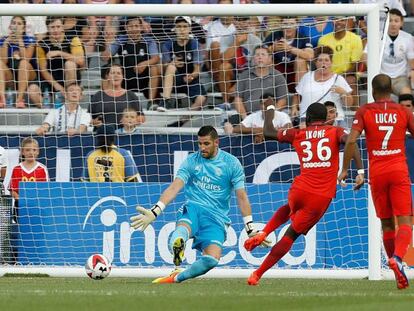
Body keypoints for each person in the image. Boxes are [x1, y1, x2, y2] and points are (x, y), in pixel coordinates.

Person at [130, 125, 270, 284]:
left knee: (212, 260)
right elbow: (175, 186)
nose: (202, 148)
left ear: (216, 142)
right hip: (194, 208)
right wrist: (156, 210)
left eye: (206, 144)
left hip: (217, 218)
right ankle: (179, 245)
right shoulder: (191, 161)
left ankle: (176, 277)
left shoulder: (232, 164)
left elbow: (242, 196)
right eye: (199, 144)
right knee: (182, 230)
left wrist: (249, 226)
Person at [244, 102, 363, 286]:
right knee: (291, 235)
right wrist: (356, 170)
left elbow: (268, 132)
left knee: (288, 208)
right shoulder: (335, 131)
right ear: (326, 119)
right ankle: (257, 274)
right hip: (320, 196)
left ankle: (264, 232)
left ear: (307, 119)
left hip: (299, 188)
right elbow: (351, 141)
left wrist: (269, 110)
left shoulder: (298, 133)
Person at [338, 74, 414, 290]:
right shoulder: (403, 111)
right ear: (392, 91)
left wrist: (345, 169)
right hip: (398, 169)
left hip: (377, 172)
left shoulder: (365, 111)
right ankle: (398, 259)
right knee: (406, 221)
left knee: (387, 223)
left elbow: (351, 139)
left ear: (372, 91)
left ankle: (394, 265)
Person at [29, 17, 85, 107]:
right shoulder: (42, 44)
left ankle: (69, 103)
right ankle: (49, 112)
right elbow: (43, 70)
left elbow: (81, 61)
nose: (56, 30)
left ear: (63, 27)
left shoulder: (73, 39)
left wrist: (59, 53)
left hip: (69, 78)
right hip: (50, 79)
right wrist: (57, 86)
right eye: (52, 27)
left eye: (58, 27)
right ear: (48, 28)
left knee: (70, 64)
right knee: (32, 90)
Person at [292, 46, 353, 128]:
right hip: (308, 119)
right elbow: (297, 94)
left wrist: (342, 92)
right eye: (320, 60)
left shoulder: (338, 79)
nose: (323, 63)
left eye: (326, 60)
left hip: (334, 120)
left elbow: (349, 104)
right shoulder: (307, 77)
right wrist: (294, 107)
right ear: (316, 63)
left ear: (331, 62)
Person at [158, 16, 207, 111]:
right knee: (171, 67)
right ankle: (165, 100)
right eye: (179, 26)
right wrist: (171, 63)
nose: (182, 29)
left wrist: (191, 76)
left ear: (190, 29)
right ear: (175, 29)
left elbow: (197, 70)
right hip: (174, 80)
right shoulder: (168, 44)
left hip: (190, 79)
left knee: (201, 99)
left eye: (185, 26)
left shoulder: (194, 44)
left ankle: (181, 122)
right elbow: (163, 67)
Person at [109, 17, 161, 103]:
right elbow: (105, 57)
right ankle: (109, 101)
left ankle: (151, 102)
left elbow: (156, 58)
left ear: (141, 27)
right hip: (125, 77)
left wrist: (144, 64)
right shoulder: (120, 40)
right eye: (131, 26)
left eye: (136, 26)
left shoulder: (149, 40)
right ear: (126, 28)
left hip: (144, 77)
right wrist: (109, 43)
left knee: (154, 68)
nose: (134, 29)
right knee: (107, 70)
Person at [233, 45, 288, 120]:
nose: (260, 57)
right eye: (257, 55)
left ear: (269, 58)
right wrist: (245, 118)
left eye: (263, 54)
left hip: (271, 117)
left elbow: (282, 100)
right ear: (253, 58)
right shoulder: (244, 75)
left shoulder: (278, 76)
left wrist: (271, 116)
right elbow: (238, 99)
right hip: (248, 116)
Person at [318, 17, 363, 108]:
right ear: (332, 22)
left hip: (347, 75)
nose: (338, 23)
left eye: (342, 20)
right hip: (326, 74)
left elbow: (355, 66)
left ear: (346, 22)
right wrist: (330, 76)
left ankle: (355, 114)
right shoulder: (323, 39)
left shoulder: (355, 39)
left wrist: (339, 77)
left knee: (351, 81)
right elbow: (320, 62)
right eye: (336, 20)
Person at [264, 16, 314, 93]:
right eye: (285, 24)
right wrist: (272, 48)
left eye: (291, 24)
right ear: (281, 25)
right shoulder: (274, 35)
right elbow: (260, 52)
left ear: (297, 25)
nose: (288, 27)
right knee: (268, 58)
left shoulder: (302, 37)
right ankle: (270, 94)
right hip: (277, 70)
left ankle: (299, 95)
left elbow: (310, 56)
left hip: (295, 71)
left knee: (300, 60)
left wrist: (289, 49)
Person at [89, 64, 145, 129]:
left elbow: (141, 117)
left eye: (119, 73)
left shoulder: (131, 95)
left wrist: (134, 120)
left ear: (123, 76)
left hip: (125, 135)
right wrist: (93, 122)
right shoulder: (98, 96)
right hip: (102, 135)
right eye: (113, 73)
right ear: (107, 76)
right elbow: (87, 118)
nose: (116, 75)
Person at [0, 16, 37, 108]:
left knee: (23, 63)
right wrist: (6, 42)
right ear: (10, 26)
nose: (16, 26)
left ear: (24, 28)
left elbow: (26, 58)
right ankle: (2, 98)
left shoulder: (30, 40)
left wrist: (20, 41)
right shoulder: (3, 40)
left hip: (28, 75)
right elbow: (3, 61)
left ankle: (20, 99)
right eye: (14, 23)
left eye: (19, 24)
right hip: (11, 77)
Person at [225, 95, 292, 144]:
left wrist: (263, 132)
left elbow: (289, 127)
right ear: (260, 105)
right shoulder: (253, 116)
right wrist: (256, 131)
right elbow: (236, 129)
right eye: (263, 103)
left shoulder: (282, 115)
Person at [379, 9, 414, 96]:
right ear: (386, 22)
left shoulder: (408, 38)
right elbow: (365, 55)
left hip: (401, 78)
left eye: (396, 21)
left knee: (407, 95)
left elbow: (411, 60)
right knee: (381, 99)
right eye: (390, 20)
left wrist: (413, 71)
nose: (393, 24)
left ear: (401, 23)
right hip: (382, 77)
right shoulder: (377, 36)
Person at [9, 137, 49, 203]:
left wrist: (35, 201)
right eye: (27, 150)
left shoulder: (42, 168)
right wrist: (22, 201)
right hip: (20, 204)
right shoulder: (17, 168)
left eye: (34, 150)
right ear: (22, 152)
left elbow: (45, 190)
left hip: (37, 204)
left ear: (38, 152)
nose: (31, 153)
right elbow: (13, 191)